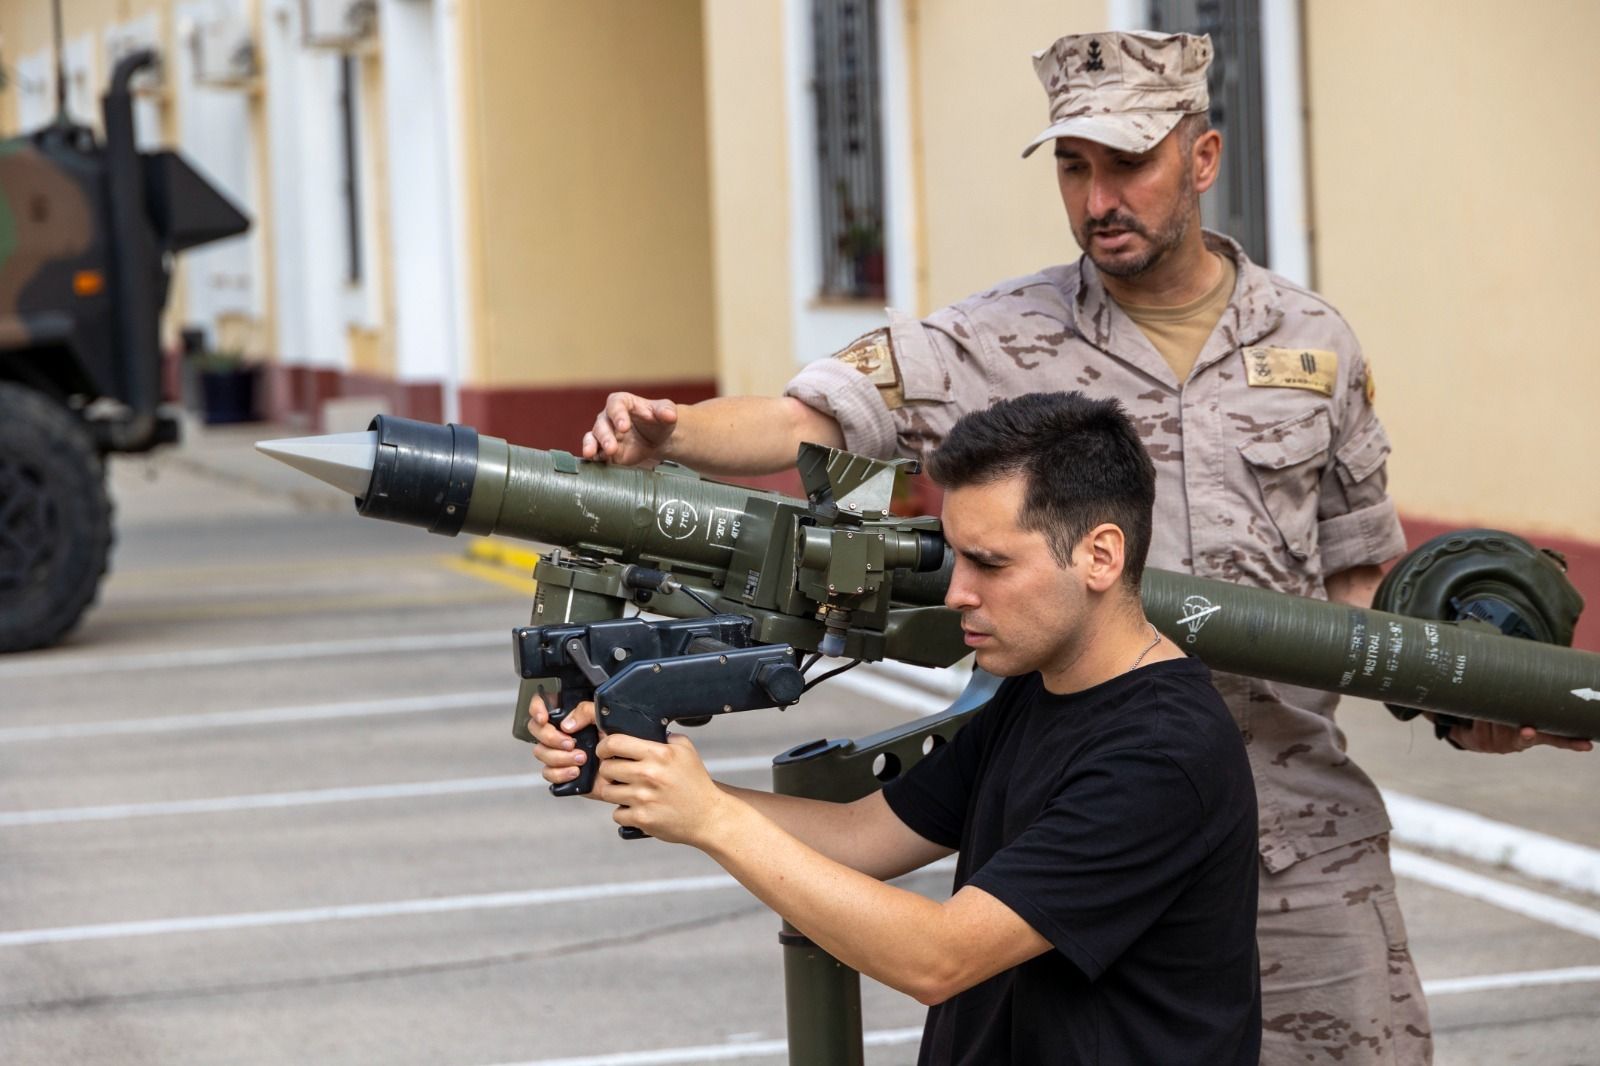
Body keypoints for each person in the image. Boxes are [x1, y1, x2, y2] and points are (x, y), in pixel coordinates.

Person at [573, 28, 1591, 1065]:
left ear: (1201, 158)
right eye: (1073, 165)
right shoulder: (992, 337)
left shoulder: (1313, 344)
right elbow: (822, 413)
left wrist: (1474, 701)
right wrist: (678, 434)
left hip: (1294, 829)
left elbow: (1359, 582)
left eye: (1127, 162)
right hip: (1078, 795)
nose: (1098, 196)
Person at [532, 391, 1262, 1065]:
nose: (956, 593)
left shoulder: (1163, 752)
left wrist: (715, 818)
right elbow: (860, 838)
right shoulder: (1041, 689)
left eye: (990, 563)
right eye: (955, 556)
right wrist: (651, 782)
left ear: (1100, 555)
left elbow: (938, 959)